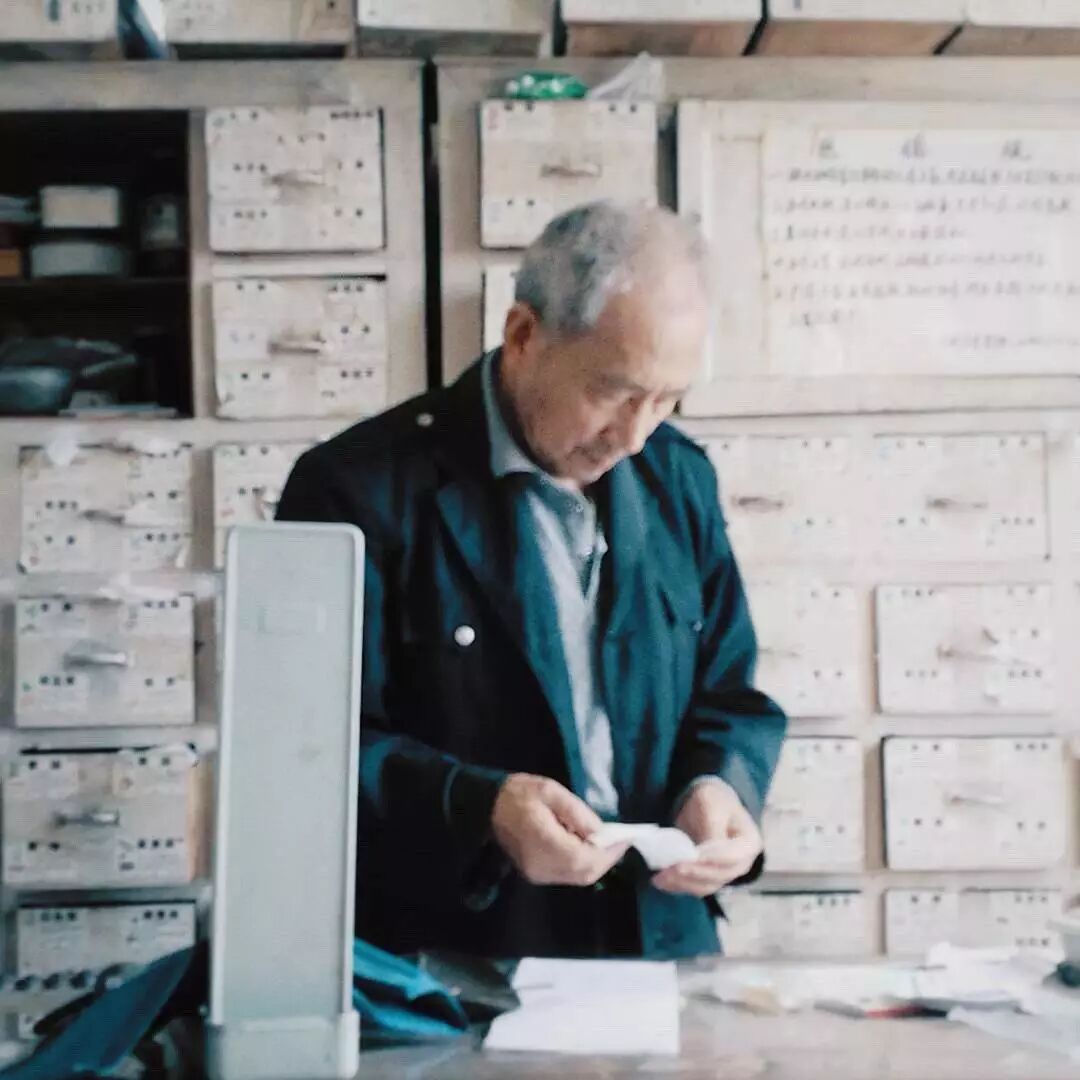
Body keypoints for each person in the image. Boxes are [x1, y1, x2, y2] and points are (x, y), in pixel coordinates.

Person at [276, 200, 787, 959]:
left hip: (655, 936)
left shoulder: (679, 477)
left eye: (667, 400)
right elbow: (306, 748)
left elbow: (728, 693)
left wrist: (717, 786)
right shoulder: (355, 490)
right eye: (613, 393)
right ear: (522, 336)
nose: (635, 436)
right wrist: (481, 806)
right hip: (457, 956)